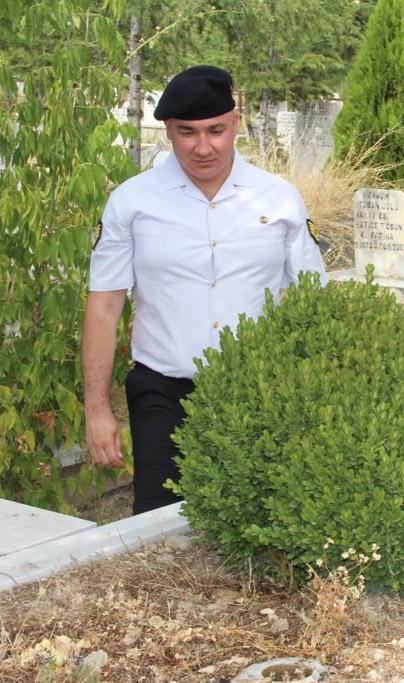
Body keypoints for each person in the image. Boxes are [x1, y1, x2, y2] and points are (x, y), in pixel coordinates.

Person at [82, 65, 327, 514]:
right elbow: (104, 306)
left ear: (236, 122)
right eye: (186, 132)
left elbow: (313, 300)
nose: (202, 147)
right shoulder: (132, 201)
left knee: (259, 521)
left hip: (258, 390)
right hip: (163, 390)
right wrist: (97, 409)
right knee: (157, 523)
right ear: (168, 131)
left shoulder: (279, 198)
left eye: (215, 130)